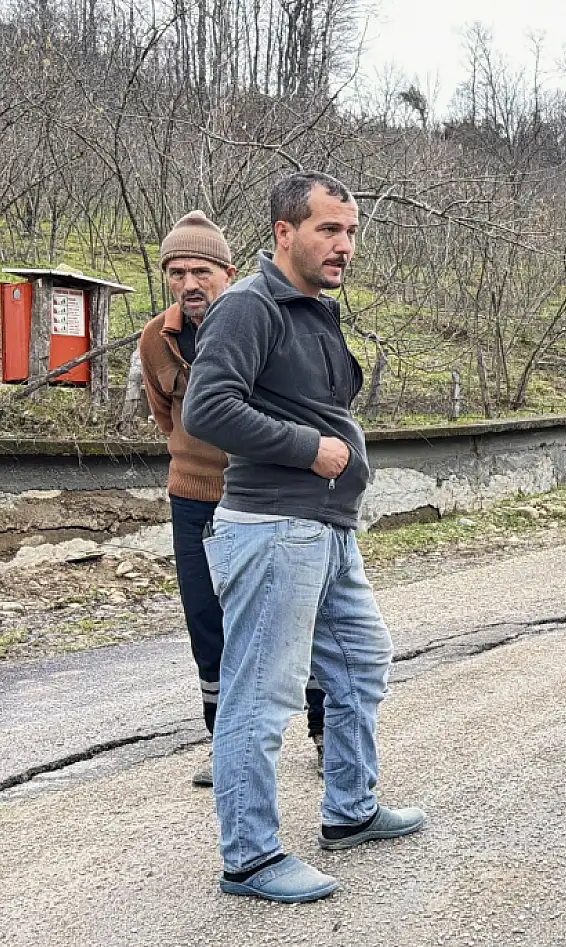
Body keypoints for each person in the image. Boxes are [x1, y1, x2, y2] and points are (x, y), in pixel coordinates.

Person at [184, 171, 424, 904]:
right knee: (261, 695)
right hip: (273, 530)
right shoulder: (248, 306)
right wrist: (308, 447)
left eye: (350, 232)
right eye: (328, 229)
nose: (344, 244)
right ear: (284, 232)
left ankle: (350, 810)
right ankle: (250, 857)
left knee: (359, 662)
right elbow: (207, 408)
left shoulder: (314, 307)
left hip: (325, 529)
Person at [138, 210, 327, 788]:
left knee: (300, 616)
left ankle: (325, 733)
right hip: (194, 498)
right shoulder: (157, 339)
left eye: (201, 271)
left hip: (269, 495)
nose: (189, 284)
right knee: (207, 620)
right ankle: (224, 745)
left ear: (228, 271)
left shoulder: (262, 321)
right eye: (176, 273)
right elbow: (166, 417)